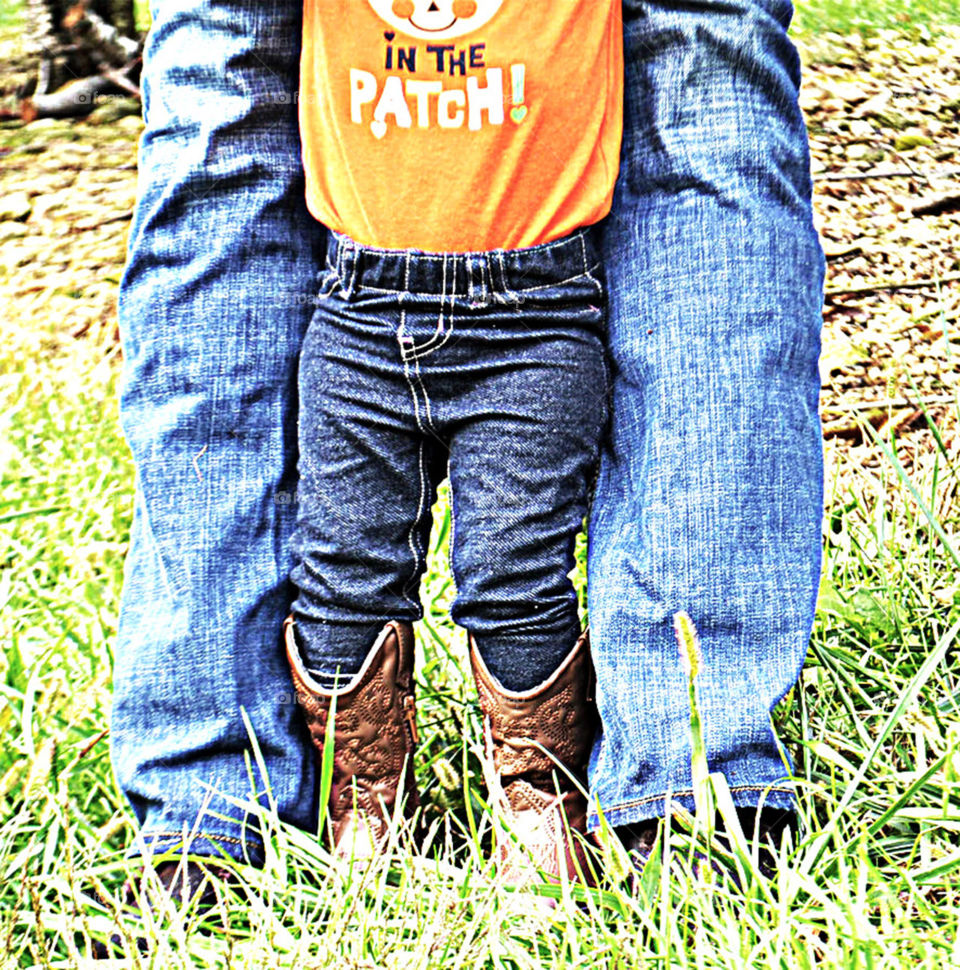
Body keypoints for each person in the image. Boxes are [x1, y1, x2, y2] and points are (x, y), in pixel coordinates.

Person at [110, 0, 823, 896]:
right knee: (697, 59)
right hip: (366, 309)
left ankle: (225, 802)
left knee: (229, 76)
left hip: (533, 307)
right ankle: (692, 794)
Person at [281, 1, 620, 877]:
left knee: (517, 573)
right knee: (343, 573)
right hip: (358, 307)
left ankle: (538, 809)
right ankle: (365, 810)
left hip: (536, 315)